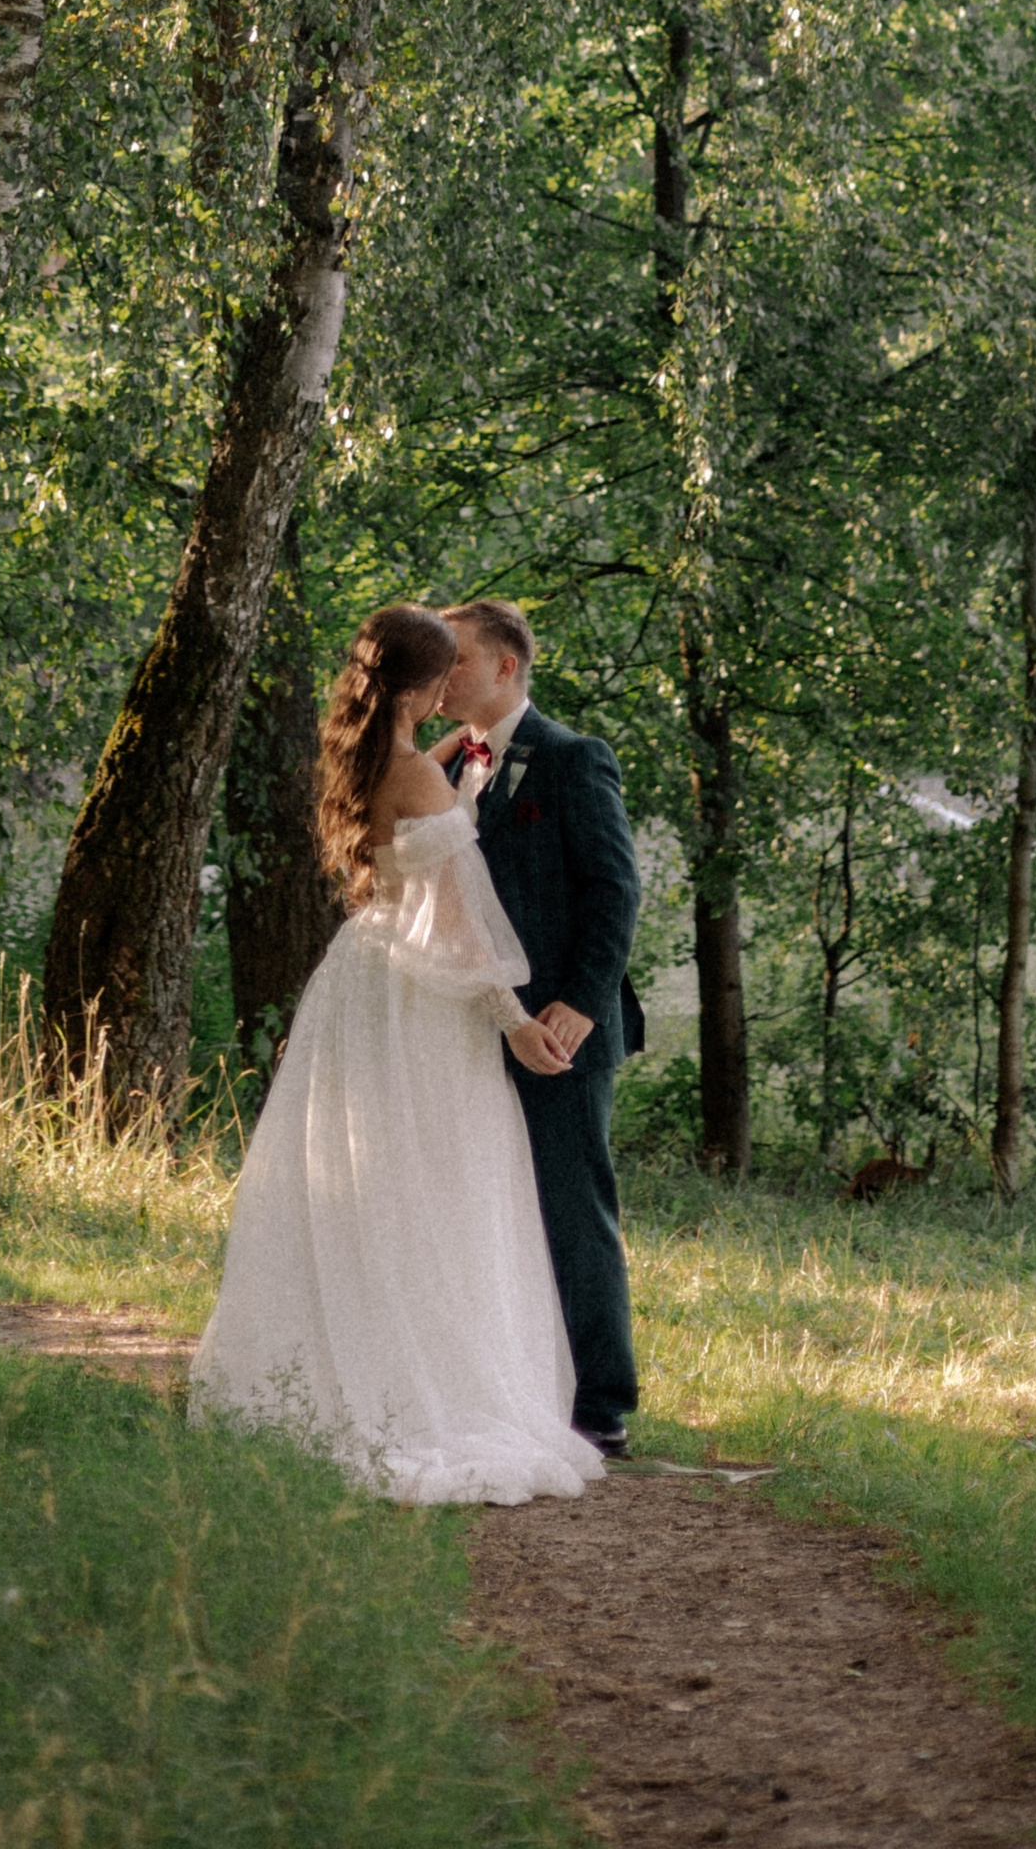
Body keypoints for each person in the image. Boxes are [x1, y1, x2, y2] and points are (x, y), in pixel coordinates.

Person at [186, 602, 604, 1505]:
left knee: (369, 1180)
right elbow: (457, 922)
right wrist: (511, 1019)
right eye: (446, 672)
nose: (456, 685)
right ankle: (429, 1385)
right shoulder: (417, 772)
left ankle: (340, 1362)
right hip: (420, 995)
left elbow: (403, 858)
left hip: (362, 976)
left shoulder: (364, 755)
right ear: (423, 684)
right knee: (440, 1185)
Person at [432, 598, 643, 1455]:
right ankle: (511, 1382)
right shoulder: (447, 764)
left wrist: (584, 1003)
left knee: (570, 1208)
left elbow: (615, 889)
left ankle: (600, 1402)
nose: (443, 675)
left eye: (456, 659)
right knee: (484, 1207)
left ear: (505, 666)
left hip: (559, 1031)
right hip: (467, 1025)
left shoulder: (571, 758)